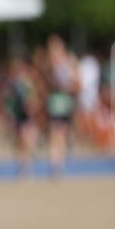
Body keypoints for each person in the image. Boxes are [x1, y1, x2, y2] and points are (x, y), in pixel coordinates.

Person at [42, 35, 79, 175]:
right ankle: (55, 164)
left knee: (62, 134)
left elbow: (76, 82)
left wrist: (67, 86)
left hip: (65, 101)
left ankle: (59, 164)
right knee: (55, 133)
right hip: (55, 102)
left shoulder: (68, 61)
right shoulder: (49, 64)